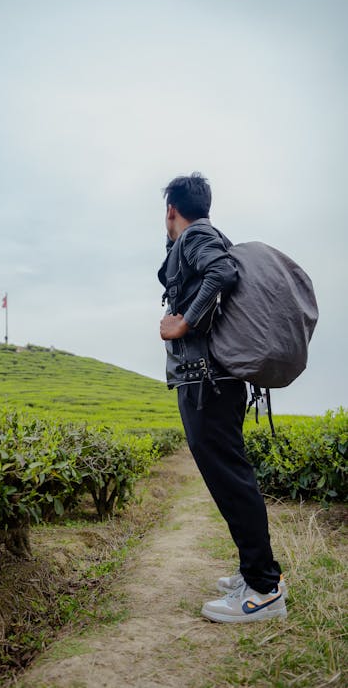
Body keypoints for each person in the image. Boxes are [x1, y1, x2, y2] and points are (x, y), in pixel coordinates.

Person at [158, 172, 287, 624]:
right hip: (216, 379)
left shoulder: (195, 236)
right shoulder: (209, 234)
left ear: (170, 208)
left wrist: (184, 321)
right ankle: (257, 572)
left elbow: (223, 272)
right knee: (231, 477)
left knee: (231, 479)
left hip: (207, 381)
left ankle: (264, 589)